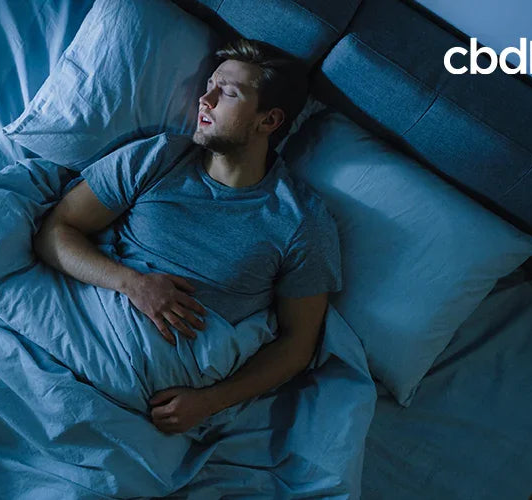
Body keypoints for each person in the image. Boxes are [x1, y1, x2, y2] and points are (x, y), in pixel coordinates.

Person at [33, 39, 341, 435]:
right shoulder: (158, 158)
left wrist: (210, 402)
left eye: (227, 93)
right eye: (209, 85)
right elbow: (54, 233)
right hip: (76, 330)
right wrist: (133, 285)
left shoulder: (301, 223)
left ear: (268, 121)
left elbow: (298, 345)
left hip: (157, 391)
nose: (205, 99)